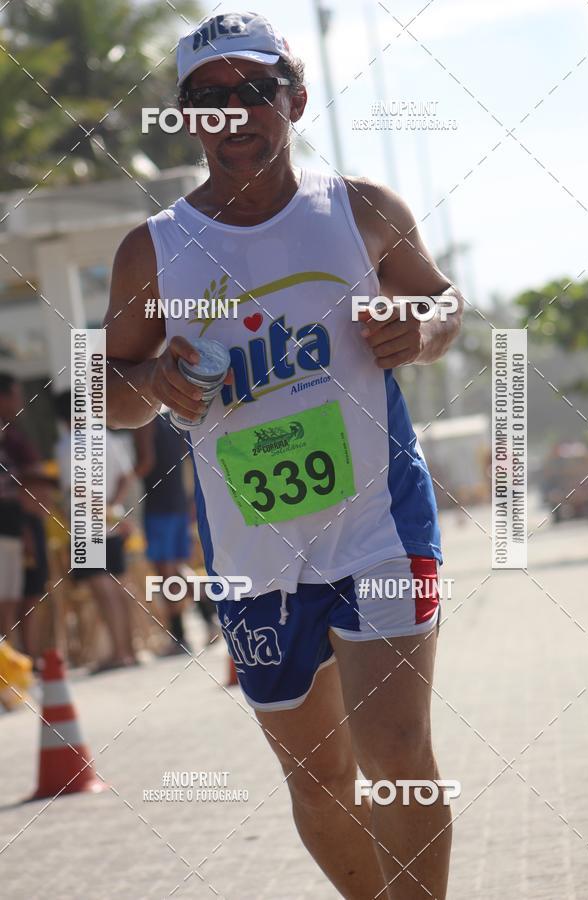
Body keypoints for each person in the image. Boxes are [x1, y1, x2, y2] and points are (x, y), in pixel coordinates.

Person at [104, 13, 464, 899]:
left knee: (399, 754)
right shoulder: (151, 252)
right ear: (186, 117)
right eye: (209, 98)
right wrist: (154, 380)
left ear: (293, 99)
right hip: (254, 555)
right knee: (319, 780)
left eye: (253, 90)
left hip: (379, 528)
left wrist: (419, 329)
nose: (234, 113)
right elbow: (101, 389)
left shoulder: (361, 210)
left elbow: (445, 303)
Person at [55, 390, 137, 672]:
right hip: (111, 524)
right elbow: (126, 476)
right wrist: (113, 508)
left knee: (104, 591)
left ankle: (119, 653)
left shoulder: (66, 446)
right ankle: (129, 649)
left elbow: (76, 491)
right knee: (118, 586)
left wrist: (104, 513)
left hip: (86, 526)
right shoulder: (106, 436)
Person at [134, 412, 220, 651]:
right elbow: (186, 458)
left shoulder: (143, 421)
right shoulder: (171, 420)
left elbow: (145, 463)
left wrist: (125, 475)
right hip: (178, 501)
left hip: (159, 505)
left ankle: (180, 636)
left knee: (166, 573)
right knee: (177, 569)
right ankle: (210, 617)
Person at [0, 373, 40, 647]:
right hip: (6, 527)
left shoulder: (10, 439)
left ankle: (12, 667)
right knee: (6, 601)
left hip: (12, 525)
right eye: (15, 395)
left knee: (10, 599)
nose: (20, 402)